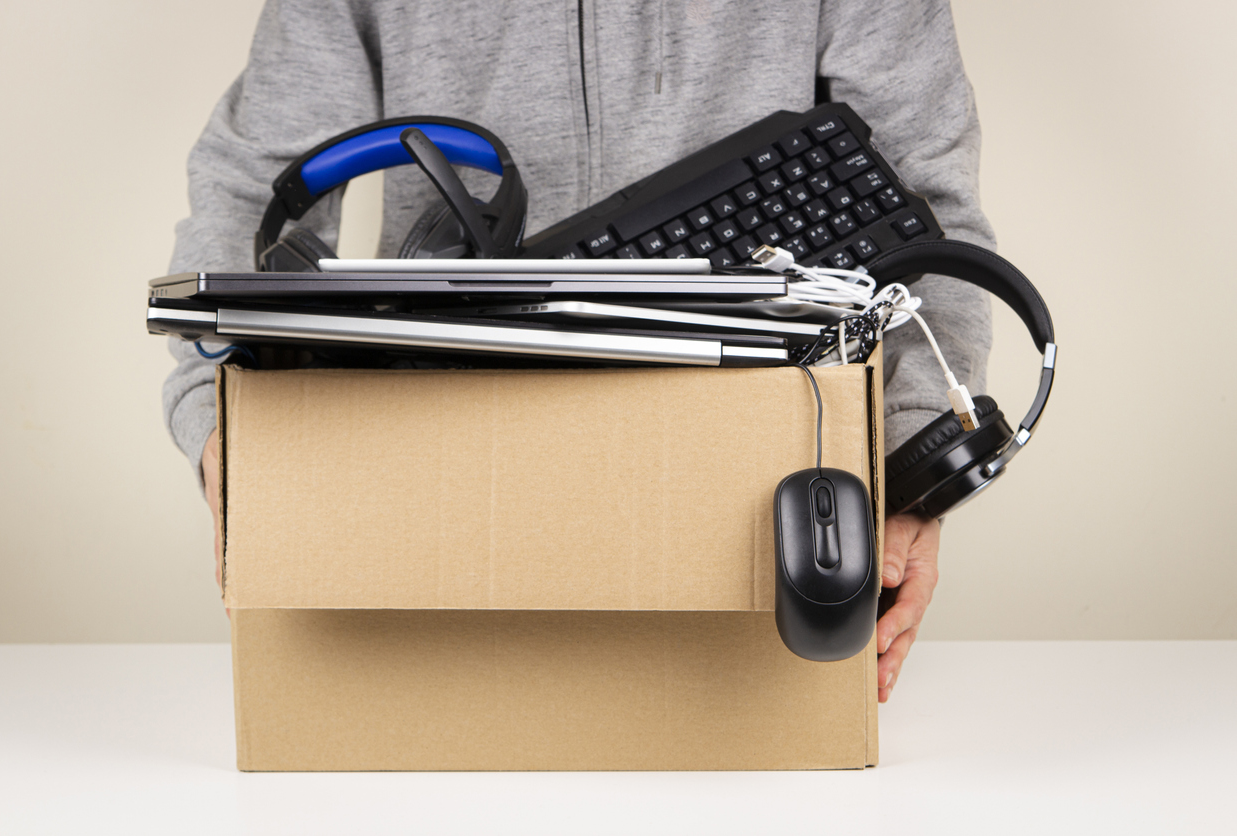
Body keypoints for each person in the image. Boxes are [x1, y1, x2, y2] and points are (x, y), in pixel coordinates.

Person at [164, 0, 993, 703]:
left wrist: (912, 459)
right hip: (442, 436)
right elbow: (259, 182)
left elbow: (924, 188)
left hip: (756, 438)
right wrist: (228, 431)